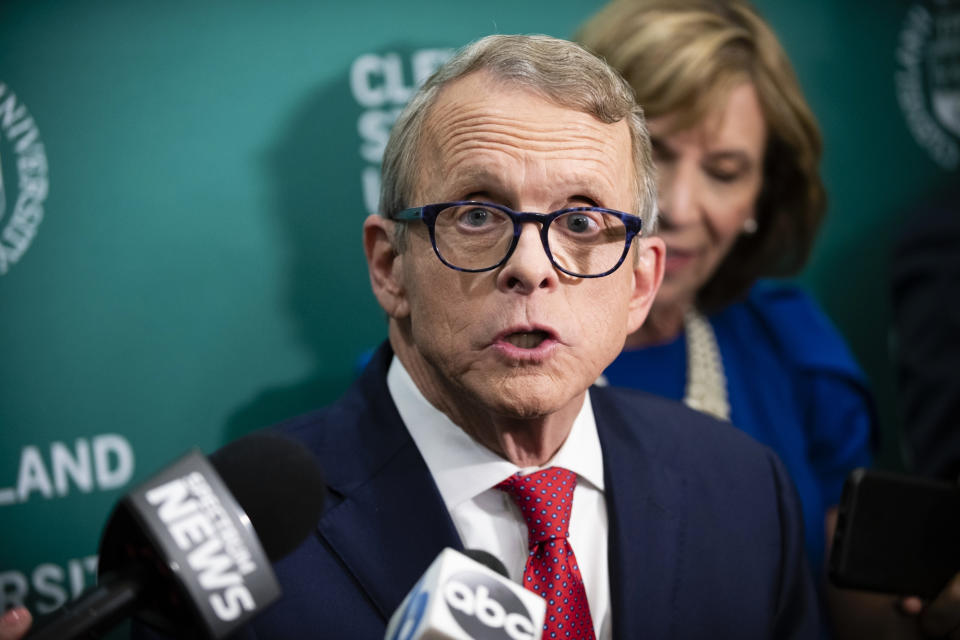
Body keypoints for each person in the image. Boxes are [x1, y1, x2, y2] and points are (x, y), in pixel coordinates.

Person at [151, 33, 819, 639]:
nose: (530, 267)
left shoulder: (743, 487)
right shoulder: (223, 545)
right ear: (390, 267)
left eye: (582, 222)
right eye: (476, 214)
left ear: (640, 284)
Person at [576, 0, 874, 582]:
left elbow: (861, 608)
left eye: (725, 171)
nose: (680, 207)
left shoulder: (794, 349)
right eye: (654, 153)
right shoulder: (475, 355)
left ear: (760, 199)